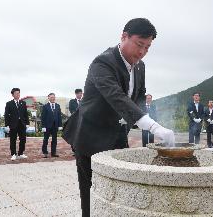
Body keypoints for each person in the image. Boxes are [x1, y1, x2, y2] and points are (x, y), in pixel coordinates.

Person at [62, 18, 175, 217]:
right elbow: (117, 97)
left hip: (117, 134)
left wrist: (148, 118)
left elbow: (138, 97)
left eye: (147, 48)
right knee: (92, 192)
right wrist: (154, 127)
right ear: (124, 37)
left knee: (120, 188)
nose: (142, 52)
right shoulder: (103, 62)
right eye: (139, 44)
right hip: (90, 135)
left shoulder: (140, 66)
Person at [4, 88, 29, 161]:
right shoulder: (9, 103)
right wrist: (7, 125)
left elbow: (25, 114)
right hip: (13, 124)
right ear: (12, 94)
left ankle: (21, 153)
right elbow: (6, 115)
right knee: (13, 140)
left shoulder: (23, 103)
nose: (18, 95)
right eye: (16, 93)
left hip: (22, 124)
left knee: (23, 139)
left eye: (19, 93)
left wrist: (27, 123)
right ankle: (13, 154)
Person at [41, 93, 63, 158]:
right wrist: (43, 126)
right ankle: (45, 153)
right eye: (51, 97)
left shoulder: (57, 106)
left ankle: (53, 153)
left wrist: (60, 125)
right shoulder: (45, 106)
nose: (53, 98)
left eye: (54, 97)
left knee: (54, 140)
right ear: (48, 98)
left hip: (55, 126)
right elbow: (43, 117)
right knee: (45, 140)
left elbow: (59, 116)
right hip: (47, 126)